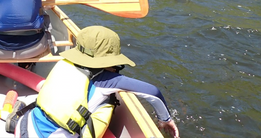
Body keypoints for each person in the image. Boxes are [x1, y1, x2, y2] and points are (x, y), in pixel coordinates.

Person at [9, 26, 180, 138]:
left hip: (24, 126)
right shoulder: (108, 81)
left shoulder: (64, 62)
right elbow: (153, 92)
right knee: (107, 103)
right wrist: (164, 119)